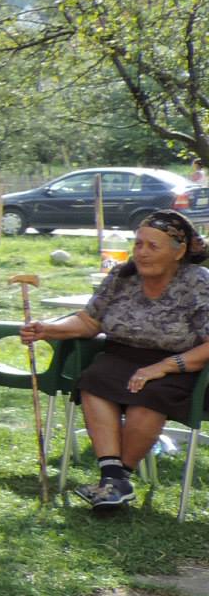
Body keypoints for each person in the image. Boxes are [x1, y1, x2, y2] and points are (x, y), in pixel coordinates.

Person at [21, 212, 209, 514]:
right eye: (138, 244)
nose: (142, 253)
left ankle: (116, 481)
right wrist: (49, 329)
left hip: (180, 364)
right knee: (95, 380)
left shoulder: (197, 282)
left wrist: (163, 366)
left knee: (149, 394)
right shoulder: (123, 275)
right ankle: (114, 479)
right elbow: (89, 321)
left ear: (179, 251)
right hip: (121, 355)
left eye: (153, 246)